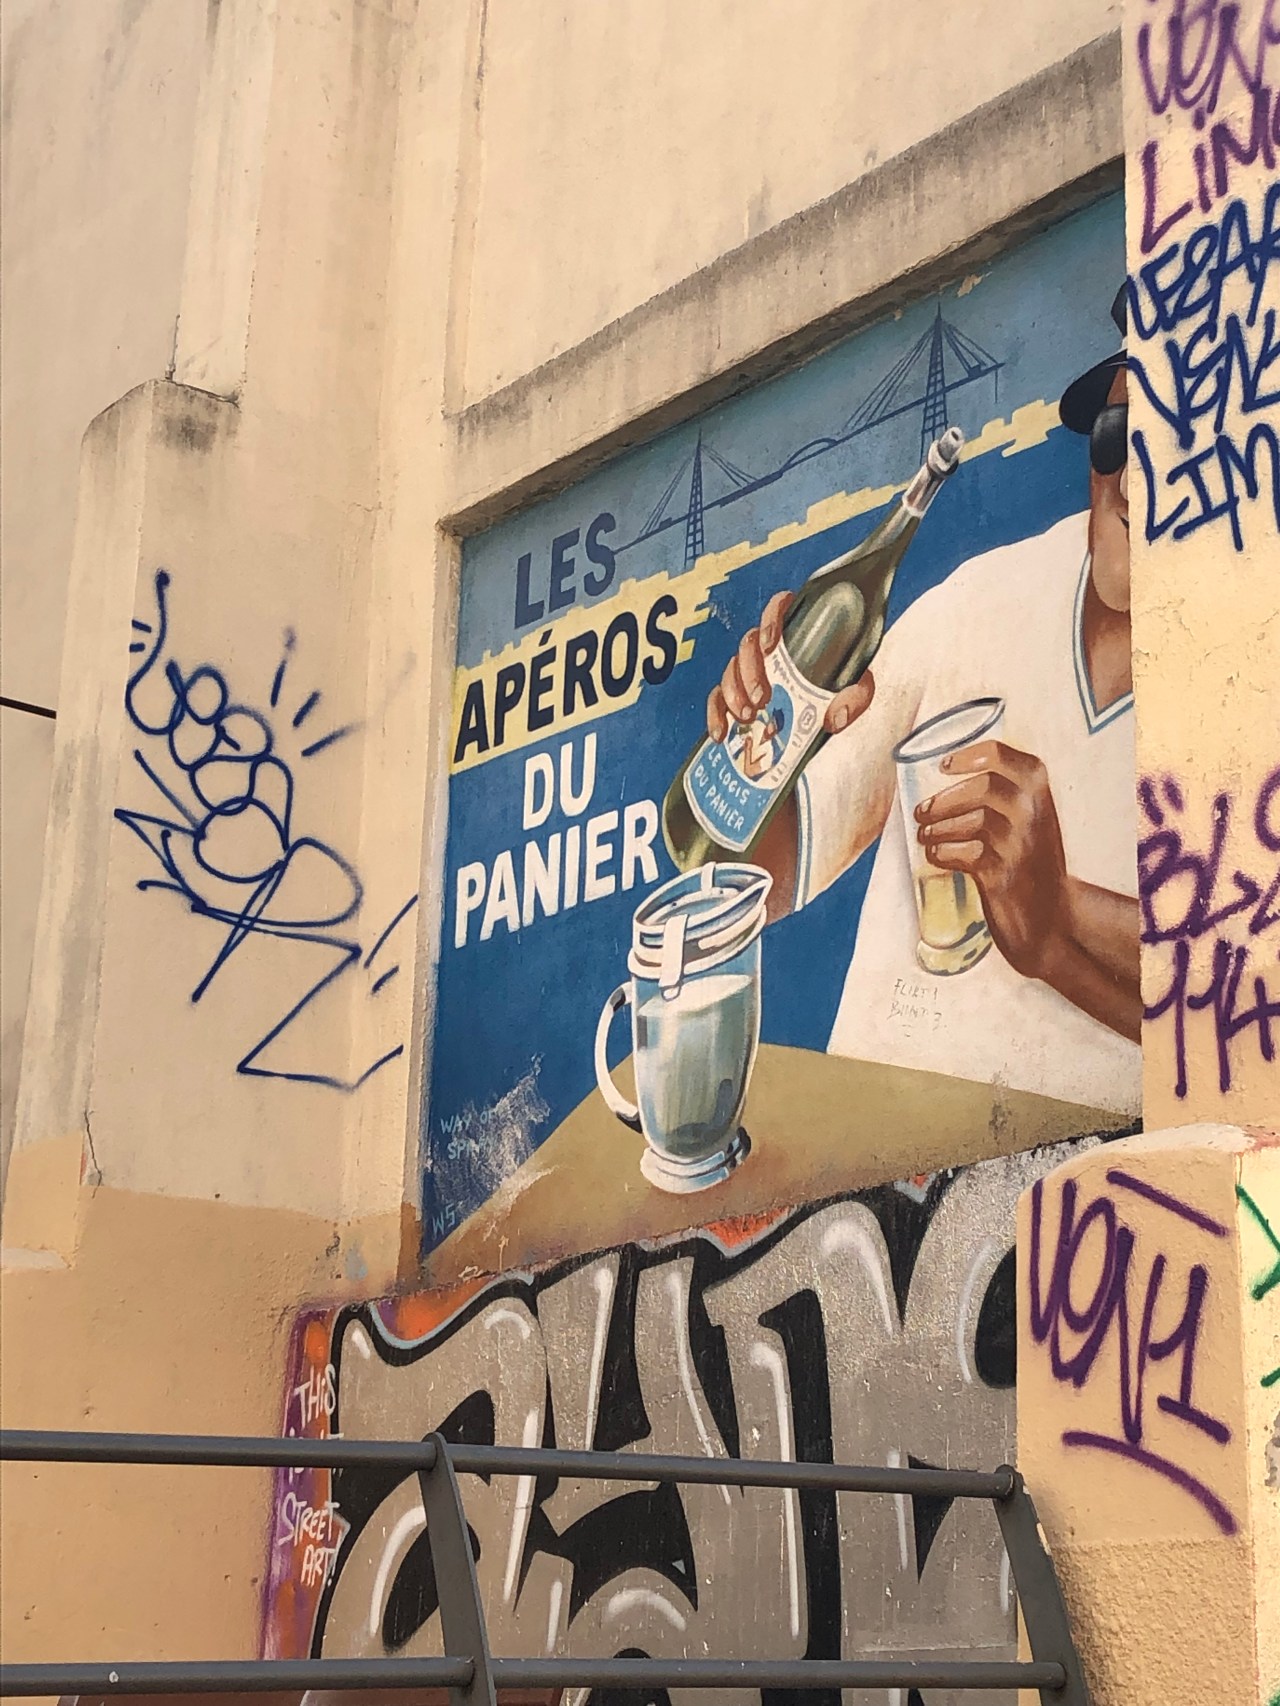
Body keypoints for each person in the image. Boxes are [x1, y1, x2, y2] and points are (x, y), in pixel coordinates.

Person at [706, 289, 1141, 1113]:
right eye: (1119, 436)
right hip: (858, 1173)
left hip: (1102, 1189)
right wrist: (757, 748)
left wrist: (1058, 927)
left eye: (1177, 443)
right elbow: (751, 874)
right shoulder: (977, 603)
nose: (1129, 482)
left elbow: (1243, 1028)